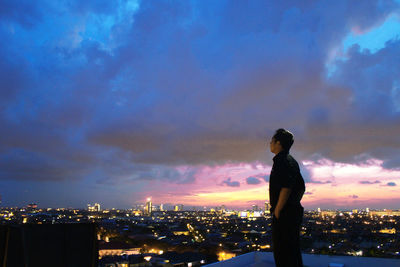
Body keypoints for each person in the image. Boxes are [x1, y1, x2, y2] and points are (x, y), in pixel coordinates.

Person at [268, 128, 306, 267]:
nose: (270, 143)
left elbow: (286, 187)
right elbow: (301, 187)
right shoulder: (291, 161)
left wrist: (278, 210)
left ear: (278, 143)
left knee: (283, 252)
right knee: (292, 251)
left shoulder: (282, 161)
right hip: (292, 212)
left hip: (285, 214)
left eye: (272, 141)